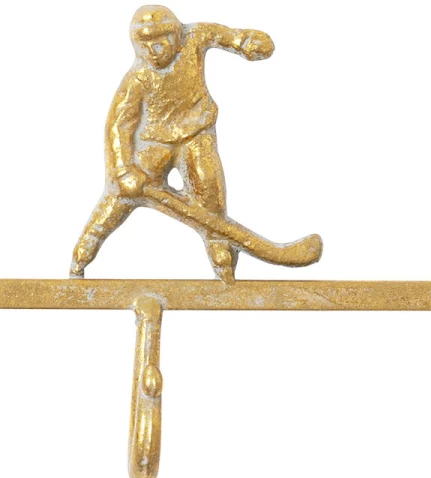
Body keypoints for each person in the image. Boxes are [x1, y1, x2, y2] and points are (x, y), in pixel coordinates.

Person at [70, 5, 278, 283]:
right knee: (119, 197)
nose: (153, 51)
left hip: (196, 137)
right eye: (145, 44)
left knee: (210, 201)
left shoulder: (196, 38)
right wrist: (122, 169)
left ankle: (224, 266)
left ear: (178, 36)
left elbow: (228, 36)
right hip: (153, 145)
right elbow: (119, 125)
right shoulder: (138, 79)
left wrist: (248, 42)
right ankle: (81, 257)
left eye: (161, 41)